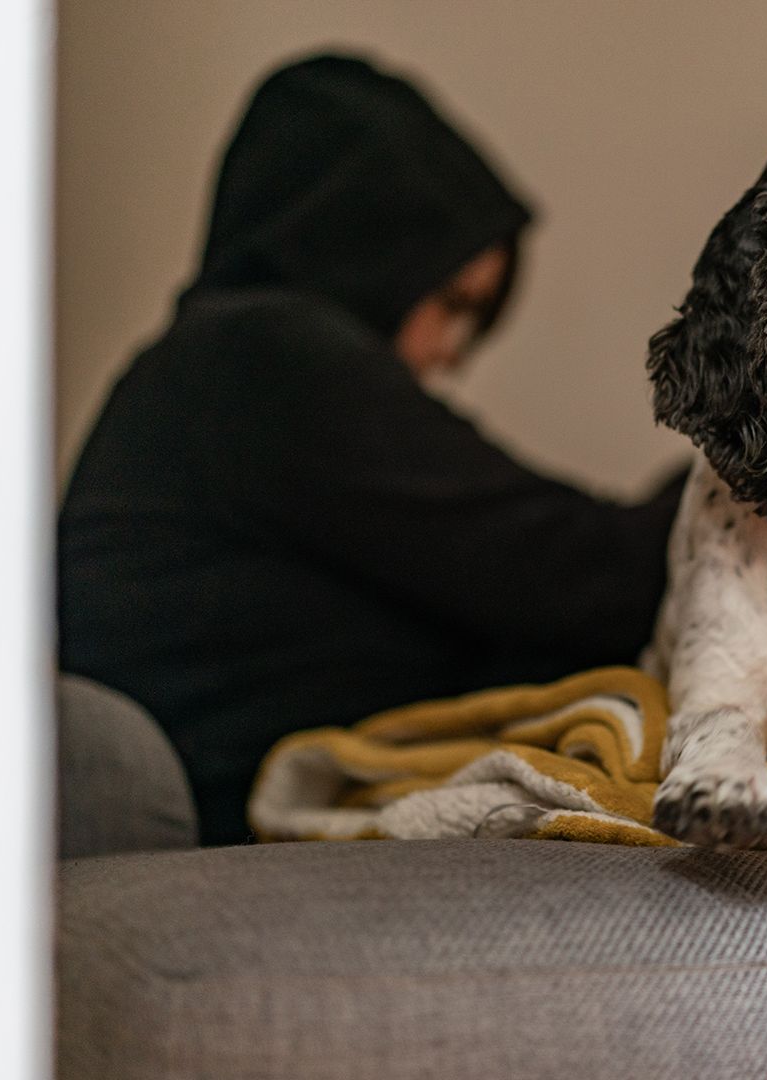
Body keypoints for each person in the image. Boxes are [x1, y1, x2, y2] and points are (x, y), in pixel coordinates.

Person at [58, 54, 685, 846]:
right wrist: (756, 479)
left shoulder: (207, 375)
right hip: (237, 811)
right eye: (454, 303)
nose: (453, 353)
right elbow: (571, 573)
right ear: (369, 246)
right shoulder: (262, 359)